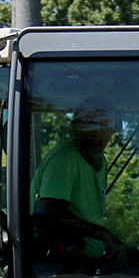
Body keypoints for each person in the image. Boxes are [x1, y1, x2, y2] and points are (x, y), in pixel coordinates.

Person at [31, 99, 120, 263]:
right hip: (62, 268)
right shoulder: (64, 158)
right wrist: (105, 235)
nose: (95, 133)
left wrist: (119, 247)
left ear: (112, 131)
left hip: (90, 263)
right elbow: (52, 212)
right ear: (73, 128)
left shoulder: (100, 161)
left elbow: (86, 218)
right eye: (88, 126)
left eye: (102, 126)